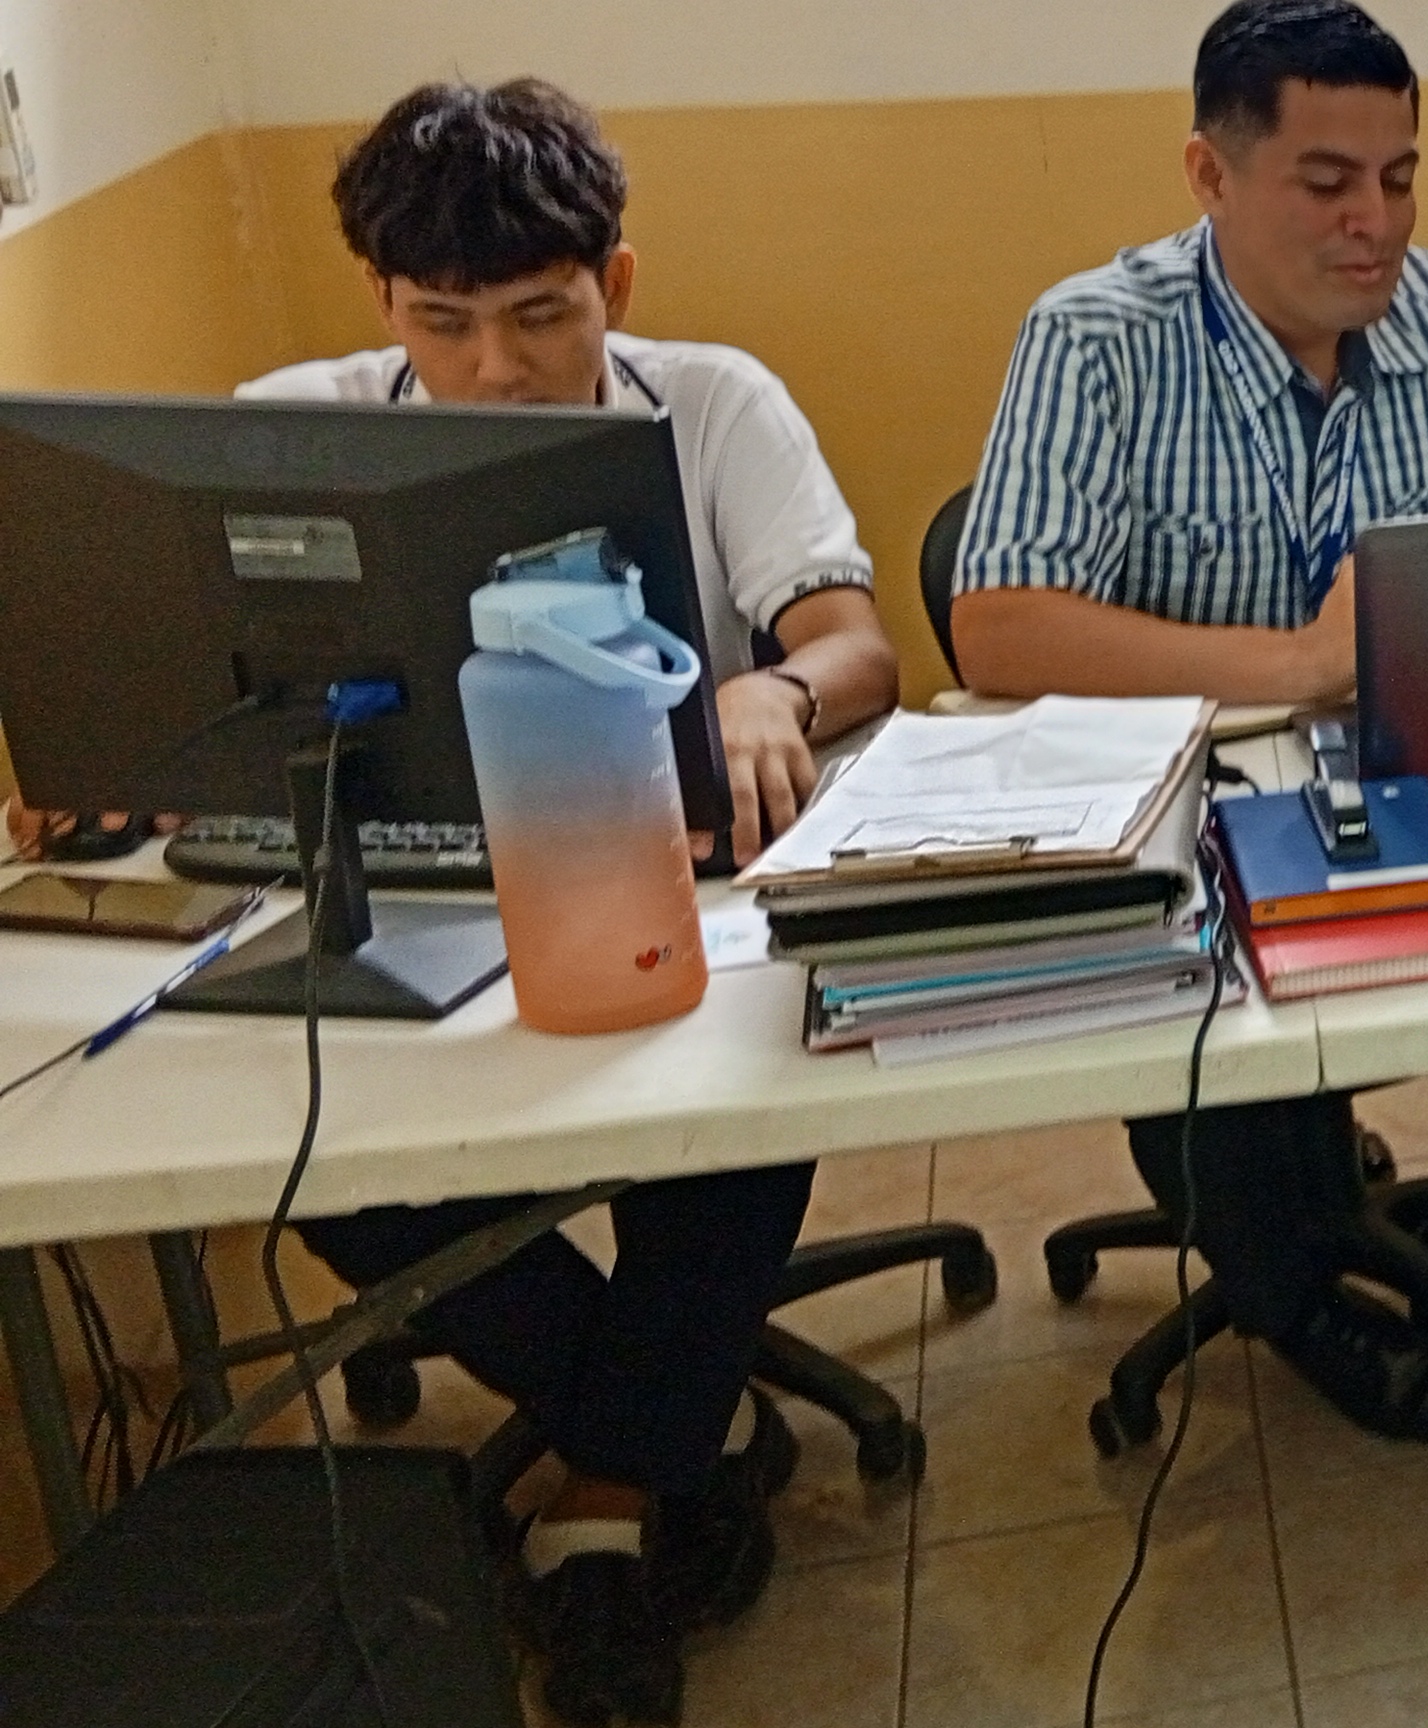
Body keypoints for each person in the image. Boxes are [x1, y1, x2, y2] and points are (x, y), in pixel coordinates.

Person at [238, 79, 899, 1727]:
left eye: (542, 314)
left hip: (669, 910)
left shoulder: (714, 403)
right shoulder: (297, 427)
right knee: (309, 1155)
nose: (497, 369)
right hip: (428, 930)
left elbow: (854, 645)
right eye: (443, 321)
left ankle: (599, 1517)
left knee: (741, 1113)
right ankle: (685, 1422)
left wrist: (773, 693)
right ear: (383, 300)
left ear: (616, 278)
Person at [951, 0, 1428, 1445]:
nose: (1375, 222)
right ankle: (1300, 1302)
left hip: (1418, 775)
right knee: (1168, 974)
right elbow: (999, 626)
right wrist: (1305, 664)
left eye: (1399, 177)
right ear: (1211, 173)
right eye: (1327, 183)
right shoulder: (1096, 340)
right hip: (1186, 802)